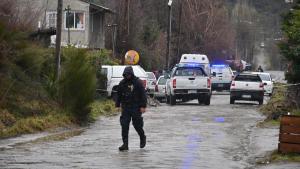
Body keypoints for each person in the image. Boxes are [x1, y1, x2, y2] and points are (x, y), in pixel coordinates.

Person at [115, 66, 147, 151]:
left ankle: (142, 137)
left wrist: (143, 106)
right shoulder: (122, 83)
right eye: (126, 74)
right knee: (124, 125)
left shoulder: (138, 82)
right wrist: (117, 105)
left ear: (132, 74)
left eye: (129, 74)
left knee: (137, 124)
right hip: (125, 107)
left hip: (136, 107)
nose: (127, 76)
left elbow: (143, 95)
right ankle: (125, 144)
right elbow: (119, 95)